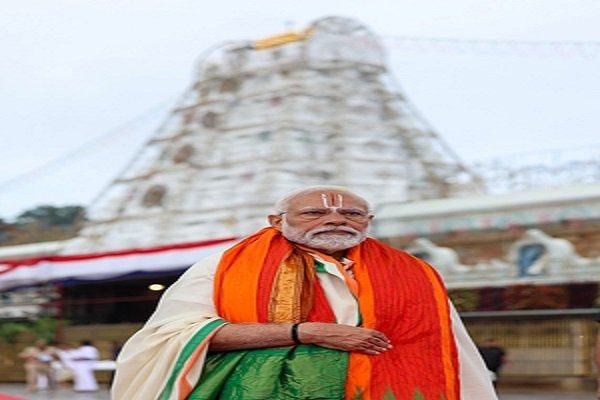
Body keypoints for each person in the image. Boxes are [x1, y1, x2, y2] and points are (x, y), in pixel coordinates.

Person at [113, 186, 498, 400]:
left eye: (352, 214)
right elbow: (175, 336)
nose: (336, 219)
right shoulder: (223, 267)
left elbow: (451, 349)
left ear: (369, 221)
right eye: (314, 213)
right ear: (276, 222)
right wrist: (304, 332)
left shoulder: (414, 272)